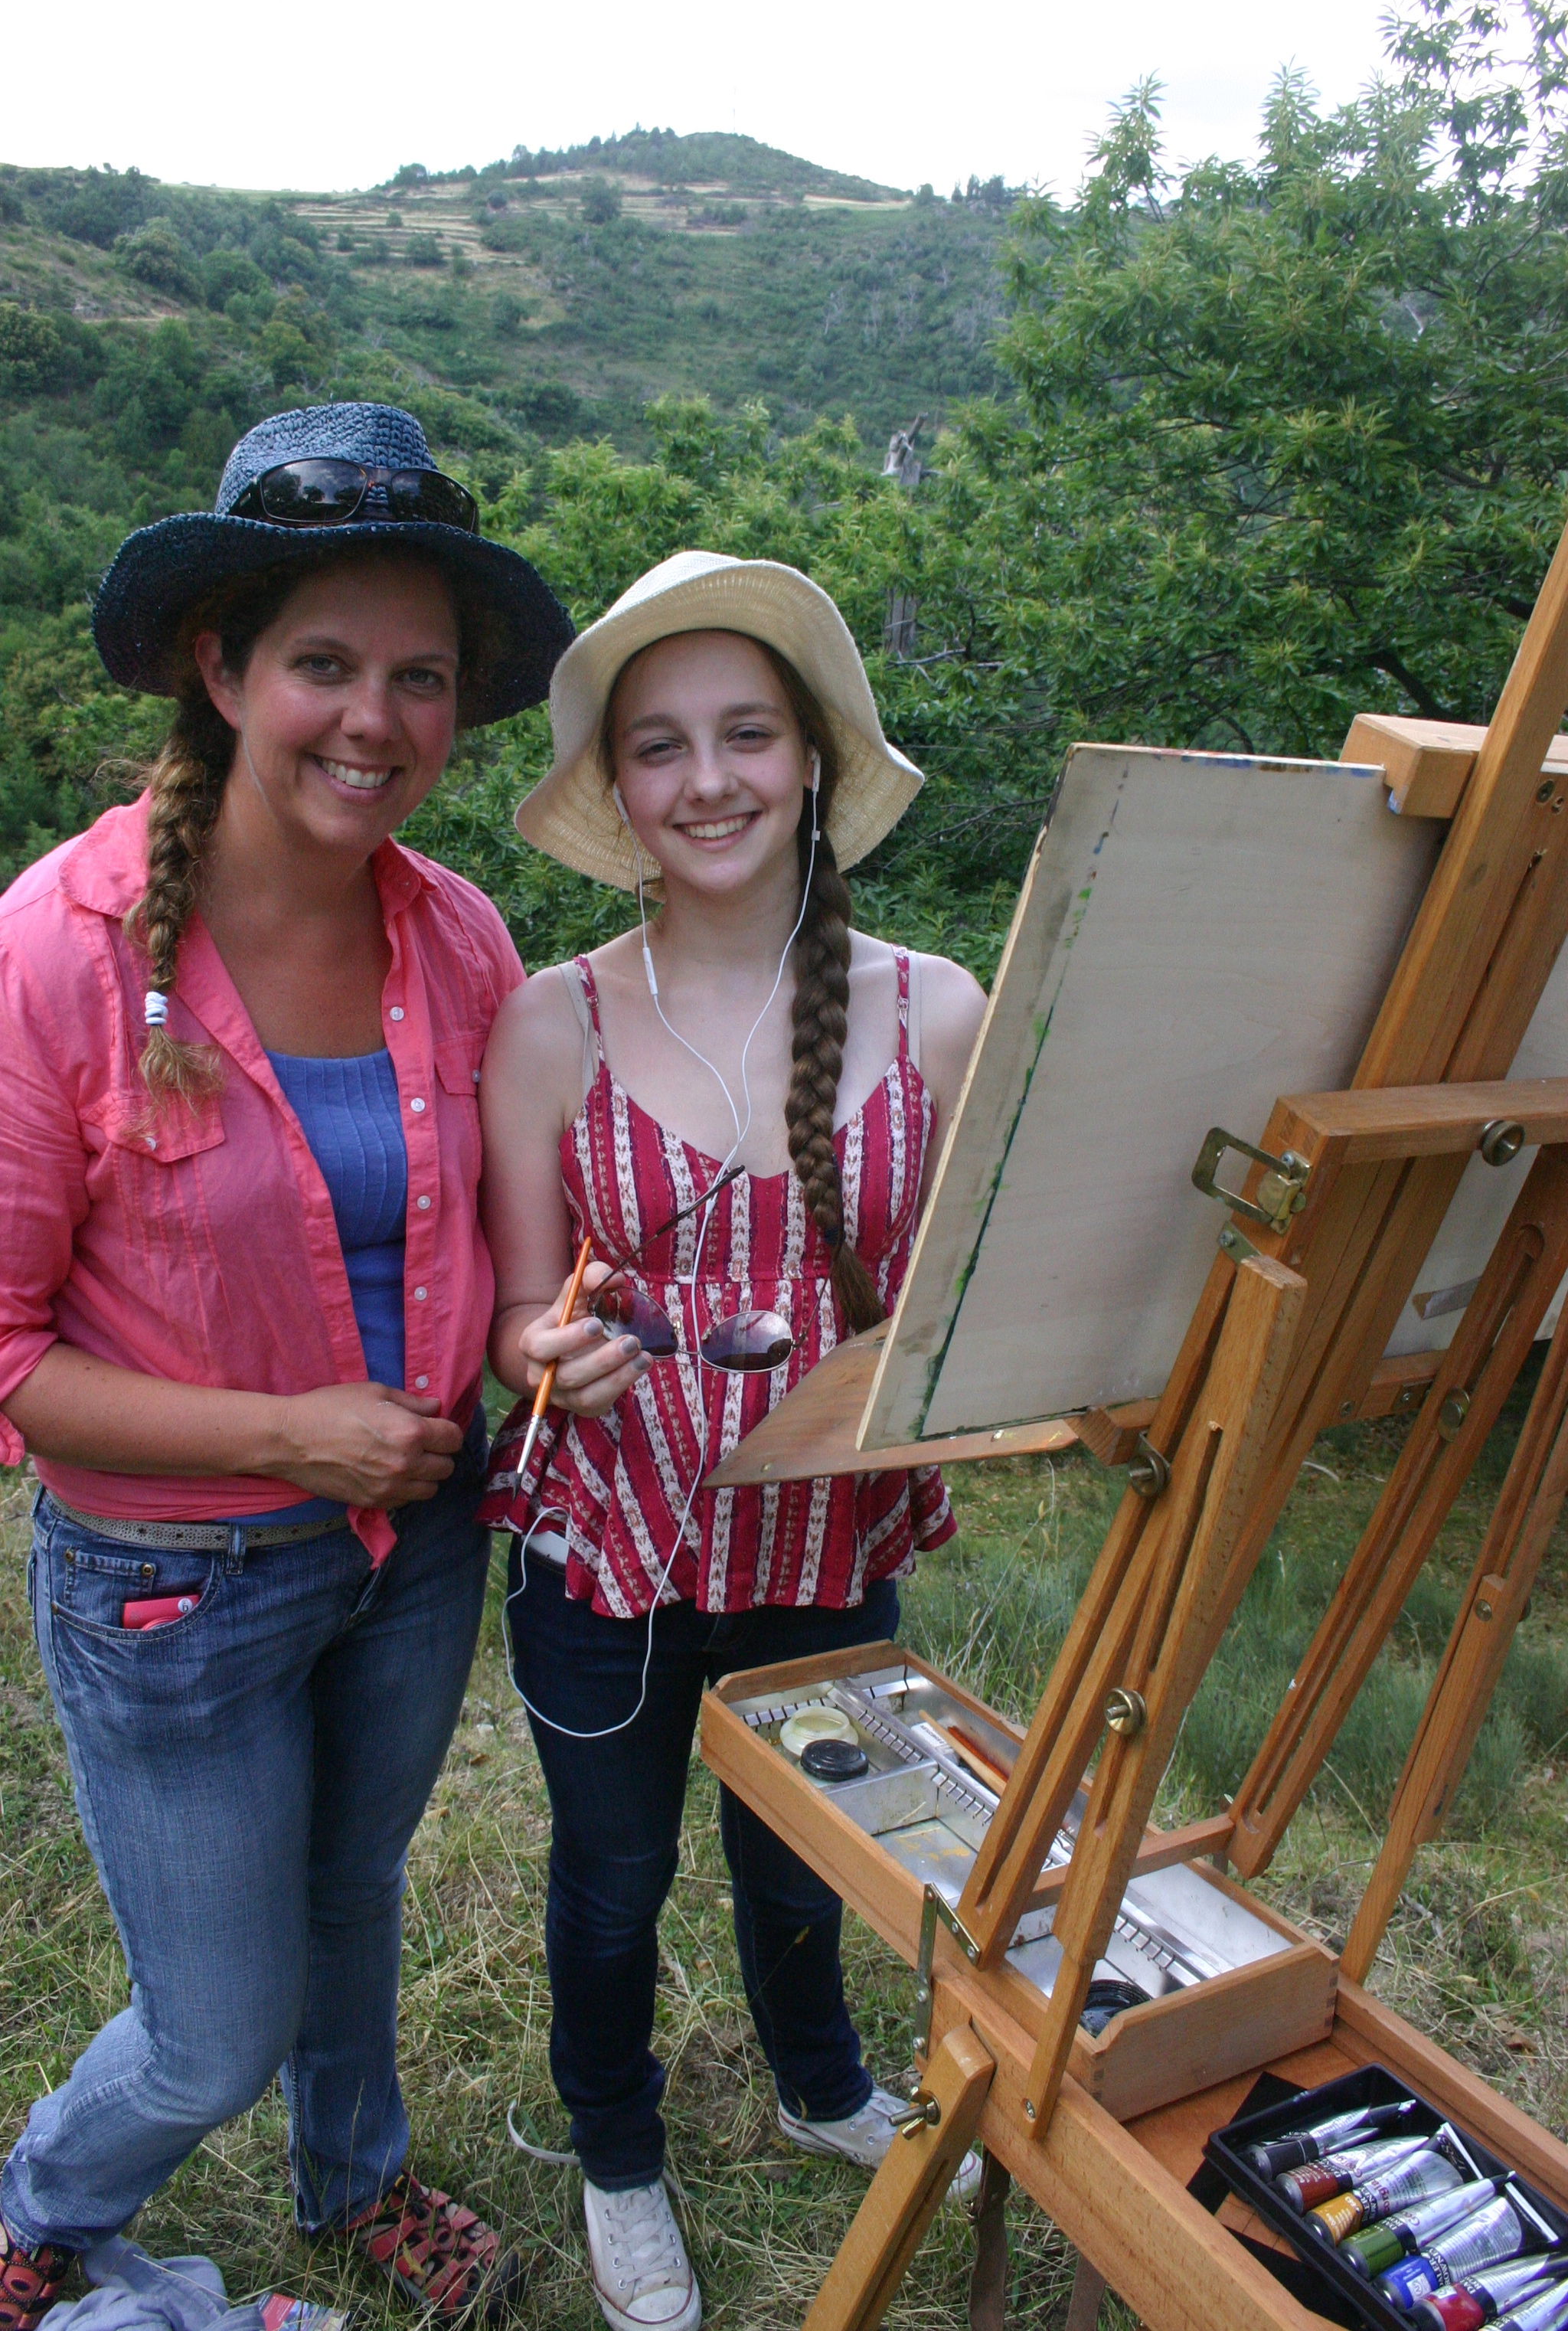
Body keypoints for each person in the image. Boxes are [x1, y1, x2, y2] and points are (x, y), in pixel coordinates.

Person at [0, 405, 574, 2331]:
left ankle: (358, 2175)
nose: (374, 719)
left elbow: (495, 1250)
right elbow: (8, 1361)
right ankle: (39, 2209)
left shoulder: (461, 937)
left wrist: (543, 1329)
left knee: (354, 1896)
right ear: (221, 667)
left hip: (411, 1552)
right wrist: (289, 1435)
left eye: (421, 679)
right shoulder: (56, 956)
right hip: (175, 1587)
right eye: (324, 663)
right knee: (209, 2030)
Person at [478, 550, 989, 2331]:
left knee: (805, 1859)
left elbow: (956, 1312)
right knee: (611, 1884)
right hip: (601, 1559)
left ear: (811, 761)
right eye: (663, 746)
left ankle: (824, 2082)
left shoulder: (934, 1010)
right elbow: (511, 1320)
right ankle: (617, 2155)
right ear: (616, 788)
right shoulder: (550, 1020)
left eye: (748, 735)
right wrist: (541, 1349)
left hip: (823, 1554)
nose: (710, 780)